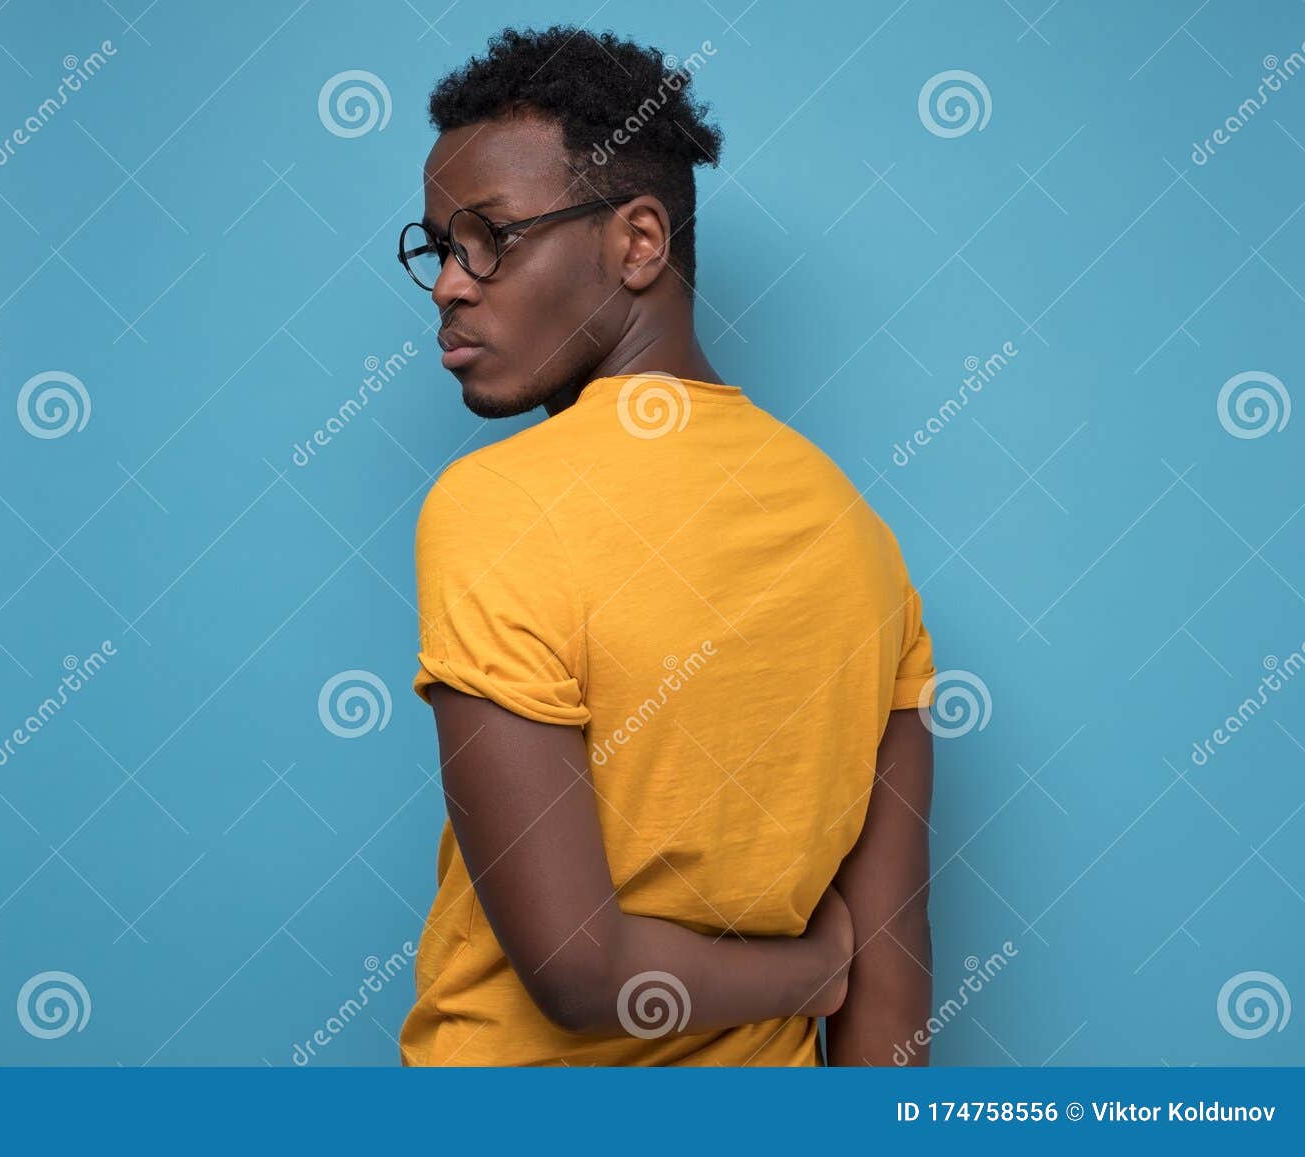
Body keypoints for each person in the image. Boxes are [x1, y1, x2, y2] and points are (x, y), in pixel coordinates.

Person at [397, 25, 937, 1066]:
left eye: (491, 237)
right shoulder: (854, 532)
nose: (449, 284)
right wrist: (820, 969)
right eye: (438, 245)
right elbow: (894, 964)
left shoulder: (494, 505)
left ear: (638, 241)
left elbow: (578, 972)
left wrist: (809, 970)